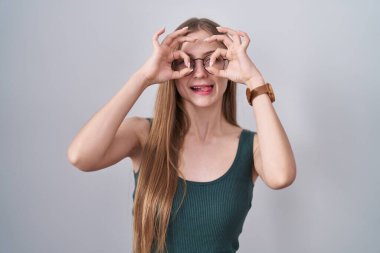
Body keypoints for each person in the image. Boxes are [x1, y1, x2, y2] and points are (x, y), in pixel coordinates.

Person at [67, 17, 296, 253]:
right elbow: (80, 156)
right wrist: (144, 77)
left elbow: (281, 176)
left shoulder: (252, 146)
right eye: (187, 62)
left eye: (212, 60)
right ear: (172, 68)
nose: (200, 73)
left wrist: (253, 80)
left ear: (228, 66)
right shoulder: (143, 134)